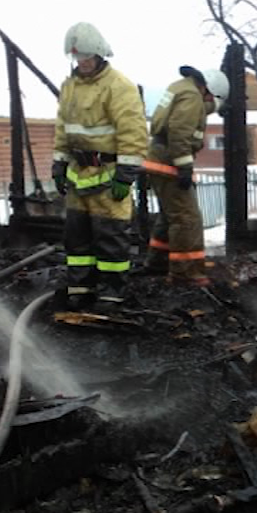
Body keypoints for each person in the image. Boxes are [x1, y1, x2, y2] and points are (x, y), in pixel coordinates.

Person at [51, 22, 148, 311]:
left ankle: (111, 293)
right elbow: (62, 129)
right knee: (77, 239)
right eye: (78, 59)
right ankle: (81, 287)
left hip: (107, 176)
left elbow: (132, 131)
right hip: (78, 175)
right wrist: (58, 163)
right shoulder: (69, 87)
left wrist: (126, 174)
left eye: (87, 58)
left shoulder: (119, 86)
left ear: (100, 55)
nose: (83, 64)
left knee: (111, 238)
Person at [144, 65, 229, 286]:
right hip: (170, 161)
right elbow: (180, 129)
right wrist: (184, 166)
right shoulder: (192, 96)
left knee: (170, 215)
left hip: (158, 158)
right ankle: (186, 272)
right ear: (207, 89)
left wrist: (218, 105)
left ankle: (159, 262)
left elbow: (194, 110)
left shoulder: (180, 88)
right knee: (187, 219)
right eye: (211, 97)